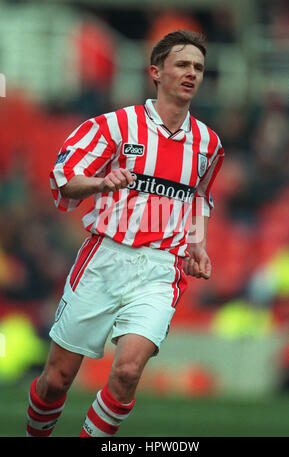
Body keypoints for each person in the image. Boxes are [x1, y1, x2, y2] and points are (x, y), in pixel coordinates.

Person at [26, 29, 224, 437]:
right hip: (104, 258)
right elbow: (63, 179)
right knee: (57, 380)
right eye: (182, 64)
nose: (192, 74)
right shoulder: (115, 126)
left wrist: (196, 245)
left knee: (128, 371)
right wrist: (100, 184)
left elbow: (199, 197)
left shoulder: (209, 143)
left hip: (160, 269)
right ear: (156, 71)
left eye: (199, 67)